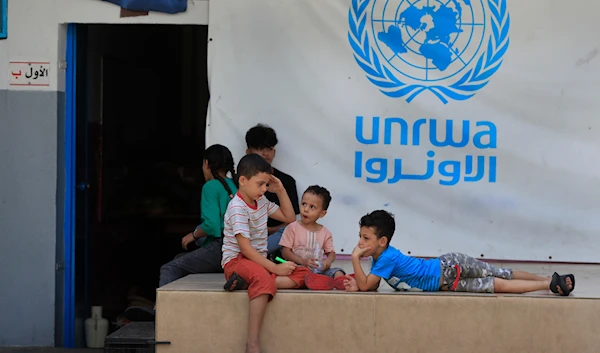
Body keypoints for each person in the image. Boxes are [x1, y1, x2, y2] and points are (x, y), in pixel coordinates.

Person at [342, 210, 575, 296]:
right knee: (499, 283)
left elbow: (365, 287)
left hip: (449, 267)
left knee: (503, 275)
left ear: (382, 241)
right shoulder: (380, 258)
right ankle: (551, 283)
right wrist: (357, 282)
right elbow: (370, 286)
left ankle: (549, 281)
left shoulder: (387, 257)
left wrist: (354, 258)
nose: (360, 243)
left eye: (365, 238)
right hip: (448, 282)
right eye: (360, 237)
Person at [221, 154, 310, 353]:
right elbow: (245, 249)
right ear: (243, 181)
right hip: (236, 262)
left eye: (266, 185)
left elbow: (288, 218)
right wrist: (274, 268)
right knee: (263, 277)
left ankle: (252, 281)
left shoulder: (261, 202)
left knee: (302, 272)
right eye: (261, 184)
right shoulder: (237, 207)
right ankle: (251, 343)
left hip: (258, 262)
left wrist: (280, 190)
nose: (264, 190)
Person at [158, 144, 237, 287]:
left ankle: (161, 310)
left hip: (222, 247)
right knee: (180, 259)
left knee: (170, 268)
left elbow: (212, 226)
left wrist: (193, 235)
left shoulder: (211, 186)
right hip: (237, 248)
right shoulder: (234, 185)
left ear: (206, 164)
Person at [245, 124, 300, 255]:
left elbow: (291, 222)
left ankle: (256, 255)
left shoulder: (286, 181)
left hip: (277, 240)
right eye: (260, 148)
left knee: (291, 231)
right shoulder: (240, 181)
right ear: (248, 152)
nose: (265, 153)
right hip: (248, 238)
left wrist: (269, 230)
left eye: (269, 148)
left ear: (274, 152)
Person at [278, 185, 346, 290]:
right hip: (297, 269)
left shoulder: (325, 232)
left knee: (338, 272)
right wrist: (303, 261)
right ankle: (313, 282)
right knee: (297, 274)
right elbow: (285, 252)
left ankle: (335, 283)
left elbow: (331, 254)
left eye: (312, 207)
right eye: (304, 204)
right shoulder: (292, 228)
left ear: (322, 213)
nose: (305, 209)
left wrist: (327, 262)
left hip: (317, 271)